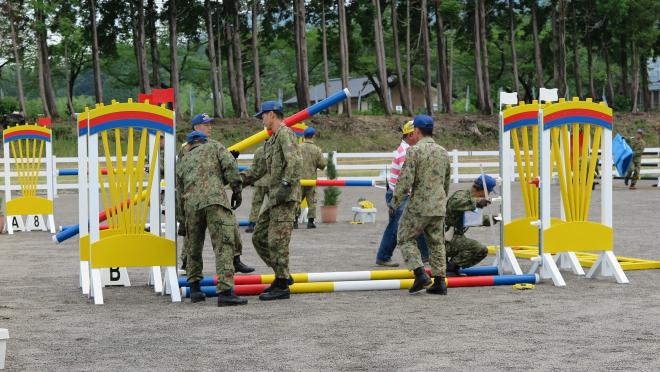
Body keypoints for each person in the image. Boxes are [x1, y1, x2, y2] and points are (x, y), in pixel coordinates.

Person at [175, 129, 248, 306]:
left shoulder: (183, 160)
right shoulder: (215, 146)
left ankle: (194, 289)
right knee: (224, 245)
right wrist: (237, 190)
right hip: (214, 200)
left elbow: (179, 192)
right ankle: (225, 291)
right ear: (204, 140)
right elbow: (230, 167)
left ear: (190, 144)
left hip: (191, 205)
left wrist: (182, 221)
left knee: (193, 246)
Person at [176, 113, 254, 274]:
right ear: (196, 127)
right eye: (206, 125)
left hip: (195, 198)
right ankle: (187, 263)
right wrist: (236, 187)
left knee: (225, 226)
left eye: (210, 124)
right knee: (200, 237)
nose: (210, 127)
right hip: (204, 196)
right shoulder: (187, 149)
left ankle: (234, 258)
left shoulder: (209, 145)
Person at [241, 101, 302, 301]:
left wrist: (286, 184)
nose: (262, 119)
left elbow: (295, 161)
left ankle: (282, 285)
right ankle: (282, 274)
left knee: (278, 242)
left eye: (263, 115)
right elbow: (257, 171)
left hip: (286, 197)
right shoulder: (271, 141)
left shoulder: (285, 133)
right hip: (276, 198)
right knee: (258, 237)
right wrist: (235, 181)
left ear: (272, 115)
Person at [392, 114, 451, 295]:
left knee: (404, 237)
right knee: (436, 242)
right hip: (439, 204)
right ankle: (440, 281)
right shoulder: (443, 152)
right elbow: (446, 180)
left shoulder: (414, 151)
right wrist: (441, 199)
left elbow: (405, 180)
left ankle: (420, 274)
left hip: (419, 205)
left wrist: (395, 201)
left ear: (416, 131)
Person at [375, 120, 429, 267]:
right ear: (410, 134)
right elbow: (408, 178)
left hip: (398, 193)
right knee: (398, 226)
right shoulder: (407, 152)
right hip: (401, 194)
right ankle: (384, 256)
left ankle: (425, 255)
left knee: (414, 223)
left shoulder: (405, 150)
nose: (420, 137)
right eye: (418, 133)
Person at [444, 175, 499, 276]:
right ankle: (450, 268)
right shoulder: (461, 196)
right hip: (444, 240)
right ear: (483, 190)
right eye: (489, 192)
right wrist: (477, 202)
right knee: (479, 249)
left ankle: (452, 268)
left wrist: (494, 218)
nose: (488, 195)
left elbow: (473, 220)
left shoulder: (469, 198)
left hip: (452, 238)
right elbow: (455, 203)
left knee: (475, 248)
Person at [296, 127, 326, 229]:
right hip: (311, 179)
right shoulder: (317, 149)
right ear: (313, 136)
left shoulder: (298, 147)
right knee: (312, 200)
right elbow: (322, 165)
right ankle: (310, 222)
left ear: (304, 136)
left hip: (299, 179)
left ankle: (294, 221)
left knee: (297, 200)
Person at [246, 145, 269, 233]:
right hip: (271, 182)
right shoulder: (276, 149)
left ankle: (252, 223)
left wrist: (251, 179)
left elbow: (254, 166)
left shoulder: (258, 150)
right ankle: (268, 223)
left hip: (259, 180)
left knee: (256, 204)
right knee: (273, 204)